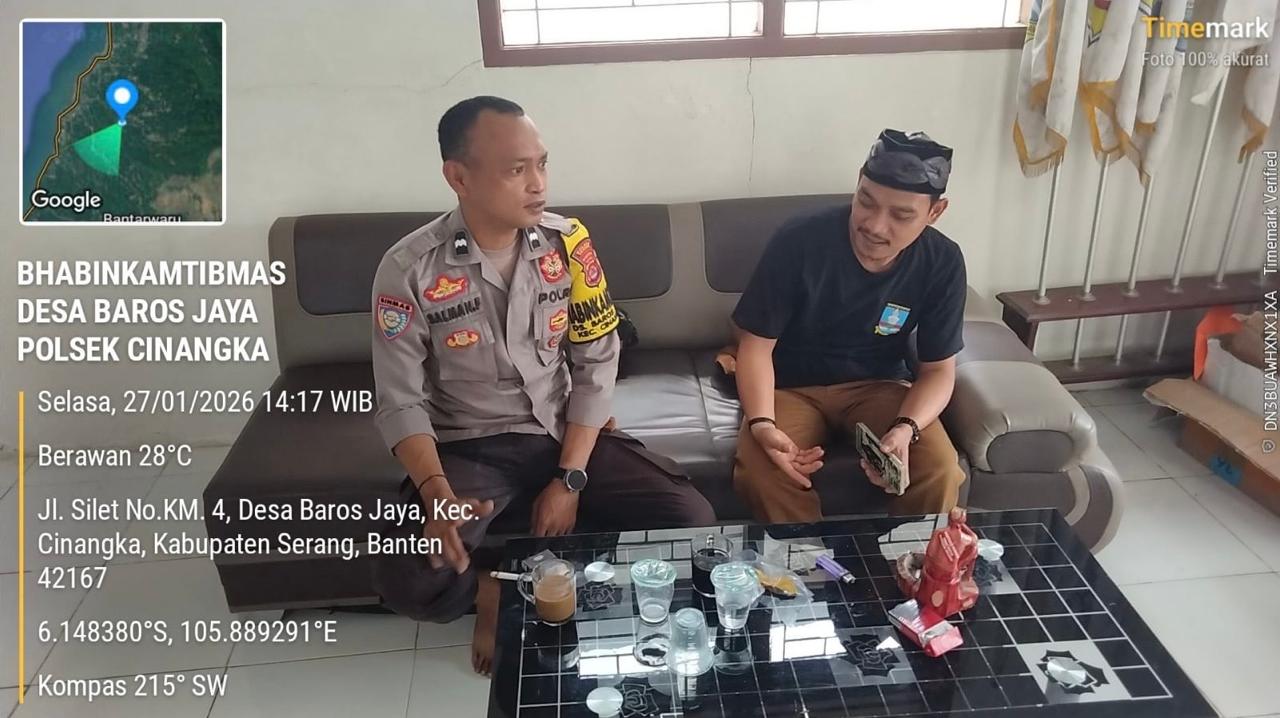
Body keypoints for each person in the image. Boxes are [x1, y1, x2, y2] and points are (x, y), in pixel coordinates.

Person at [369, 96, 715, 675]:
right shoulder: (409, 269)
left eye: (543, 164)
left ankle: (562, 585)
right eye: (516, 169)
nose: (539, 184)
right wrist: (436, 492)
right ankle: (490, 589)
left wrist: (570, 477)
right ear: (459, 177)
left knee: (691, 518)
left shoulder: (568, 244)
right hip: (470, 447)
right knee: (408, 576)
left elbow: (597, 360)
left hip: (559, 431)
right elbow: (399, 398)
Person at [730, 129, 968, 523]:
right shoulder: (799, 240)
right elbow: (754, 346)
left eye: (901, 215)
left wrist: (906, 428)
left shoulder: (942, 261)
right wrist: (762, 424)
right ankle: (802, 559)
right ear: (857, 183)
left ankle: (908, 556)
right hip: (789, 387)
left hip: (879, 385)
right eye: (866, 202)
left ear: (935, 212)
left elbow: (939, 370)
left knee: (938, 468)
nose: (875, 226)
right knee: (765, 471)